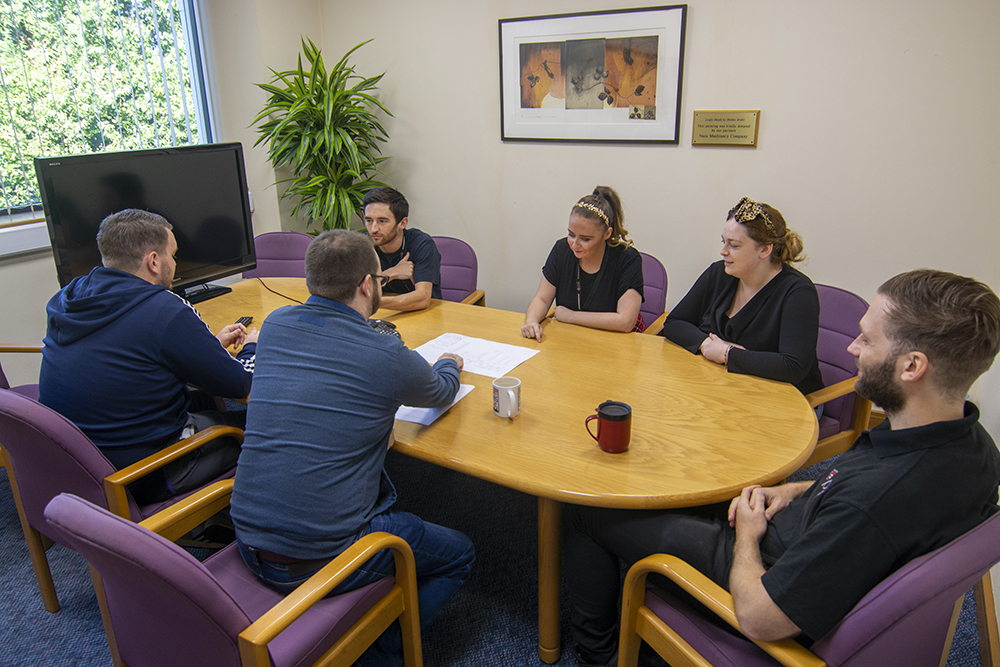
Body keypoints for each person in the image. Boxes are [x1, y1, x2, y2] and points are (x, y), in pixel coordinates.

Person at [564, 268, 1000, 667]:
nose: (852, 347)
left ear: (912, 366)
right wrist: (798, 491)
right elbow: (855, 490)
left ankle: (600, 655)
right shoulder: (973, 447)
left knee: (586, 511)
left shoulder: (872, 504)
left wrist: (750, 537)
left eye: (867, 340)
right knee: (701, 484)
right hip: (803, 536)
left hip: (763, 571)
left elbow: (761, 619)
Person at [230, 229, 474, 667]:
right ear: (367, 284)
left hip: (246, 540)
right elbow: (440, 392)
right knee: (460, 553)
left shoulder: (276, 327)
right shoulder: (382, 351)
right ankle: (381, 649)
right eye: (379, 279)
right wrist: (448, 362)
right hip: (320, 558)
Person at [39, 208, 257, 504]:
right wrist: (251, 348)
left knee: (205, 400)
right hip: (145, 472)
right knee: (266, 422)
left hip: (80, 465)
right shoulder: (164, 310)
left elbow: (128, 355)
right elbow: (239, 385)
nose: (175, 263)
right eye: (173, 255)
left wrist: (207, 346)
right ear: (154, 261)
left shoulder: (70, 296)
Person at [660, 197, 824, 397]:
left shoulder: (797, 292)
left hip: (783, 399)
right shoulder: (719, 272)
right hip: (724, 388)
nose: (723, 251)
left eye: (734, 245)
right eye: (723, 242)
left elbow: (793, 366)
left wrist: (728, 354)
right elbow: (674, 322)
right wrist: (707, 346)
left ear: (765, 249)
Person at [521, 186, 644, 341]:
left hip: (615, 343)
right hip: (571, 339)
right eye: (571, 235)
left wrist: (571, 316)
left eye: (585, 239)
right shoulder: (561, 249)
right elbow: (542, 299)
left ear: (607, 234)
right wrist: (531, 322)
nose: (575, 244)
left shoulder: (627, 258)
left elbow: (625, 322)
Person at [362, 186, 442, 311]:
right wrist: (391, 273)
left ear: (402, 223)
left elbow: (423, 298)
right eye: (369, 221)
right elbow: (352, 291)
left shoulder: (421, 244)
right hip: (380, 314)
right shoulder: (362, 245)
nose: (373, 229)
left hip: (424, 314)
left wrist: (370, 302)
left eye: (382, 221)